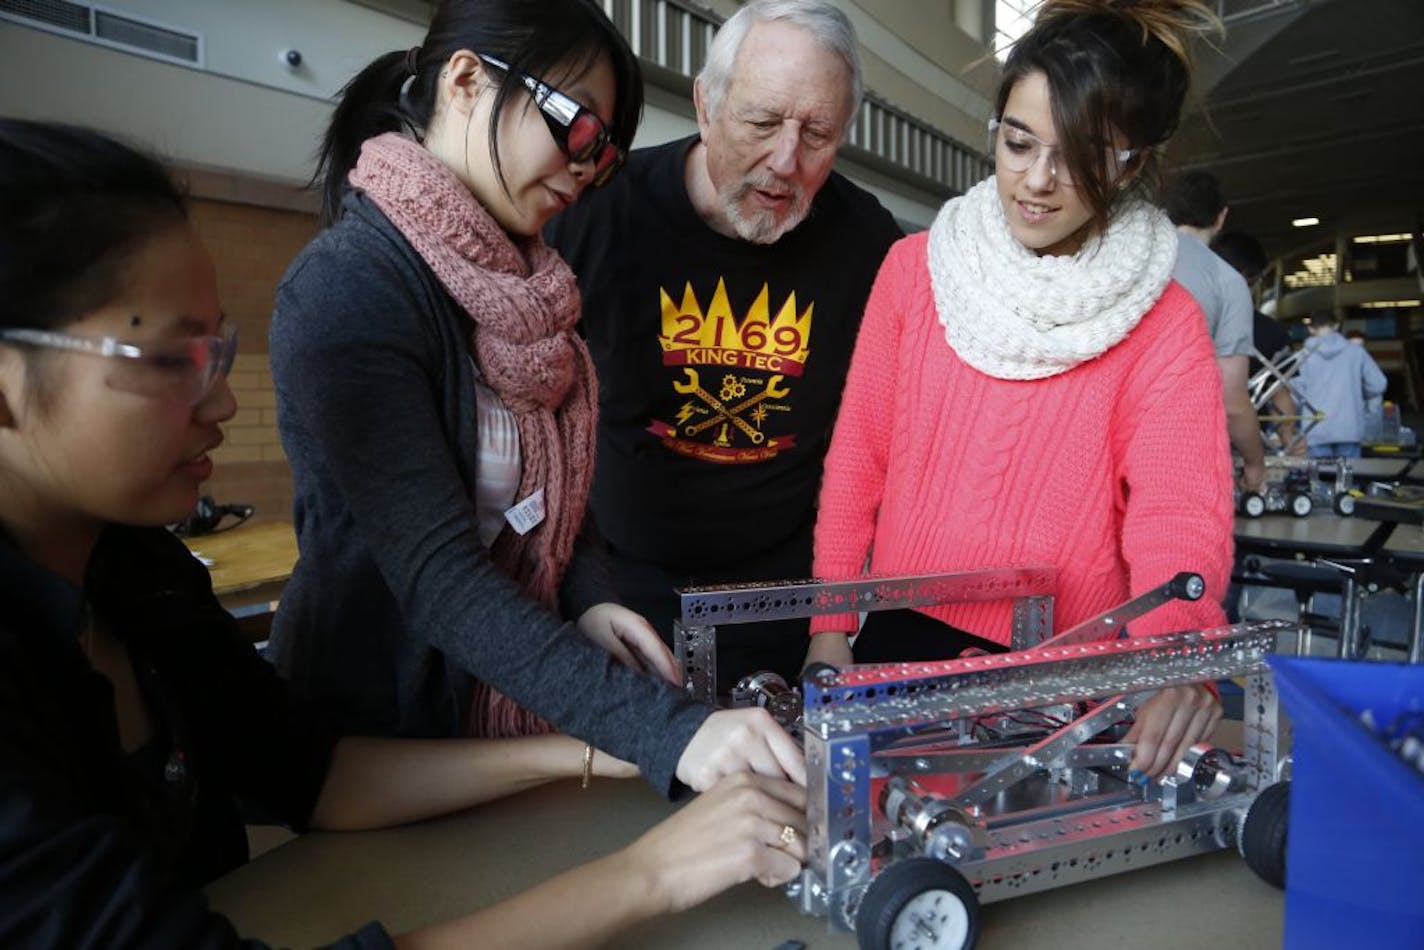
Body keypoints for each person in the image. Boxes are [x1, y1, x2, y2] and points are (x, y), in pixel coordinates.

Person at [0, 118, 810, 949]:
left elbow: (313, 772)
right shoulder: (352, 288)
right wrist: (656, 872)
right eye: (170, 360)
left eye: (216, 351)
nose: (223, 404)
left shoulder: (139, 574)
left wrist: (595, 747)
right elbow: (441, 576)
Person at [267, 0, 802, 791]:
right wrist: (668, 730)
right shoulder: (350, 287)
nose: (586, 170)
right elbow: (438, 577)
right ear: (466, 80)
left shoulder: (531, 292)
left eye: (606, 155)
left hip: (516, 714)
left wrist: (587, 599)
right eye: (577, 129)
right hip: (379, 740)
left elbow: (553, 502)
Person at [803, 0, 1233, 781]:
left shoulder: (1163, 322)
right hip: (899, 642)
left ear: (1133, 163)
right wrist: (830, 624)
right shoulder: (915, 270)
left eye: (1081, 157)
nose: (1037, 181)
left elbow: (1178, 514)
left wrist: (1178, 657)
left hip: (1069, 673)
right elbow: (859, 456)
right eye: (1017, 142)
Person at [544, 0, 903, 692]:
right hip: (619, 593)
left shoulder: (868, 244)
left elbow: (882, 445)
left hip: (786, 604)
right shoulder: (597, 215)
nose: (785, 161)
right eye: (762, 122)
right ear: (707, 106)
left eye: (818, 134)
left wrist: (833, 624)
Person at [1164, 170, 1265, 491]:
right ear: (1221, 217)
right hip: (1172, 452)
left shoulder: (1127, 258)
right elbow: (1232, 399)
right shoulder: (1227, 281)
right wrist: (1254, 462)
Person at [1212, 229, 1299, 453]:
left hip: (1187, 445)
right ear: (1253, 278)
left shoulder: (1183, 322)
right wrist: (1289, 439)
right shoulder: (1272, 331)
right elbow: (1281, 396)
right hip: (1249, 446)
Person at [1293, 314, 1387, 458]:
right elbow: (1378, 384)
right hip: (1349, 428)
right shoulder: (1356, 351)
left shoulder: (1302, 356)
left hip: (1316, 428)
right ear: (1336, 326)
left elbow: (1295, 392)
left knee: (1321, 477)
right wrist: (1357, 393)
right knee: (1349, 477)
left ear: (1311, 329)